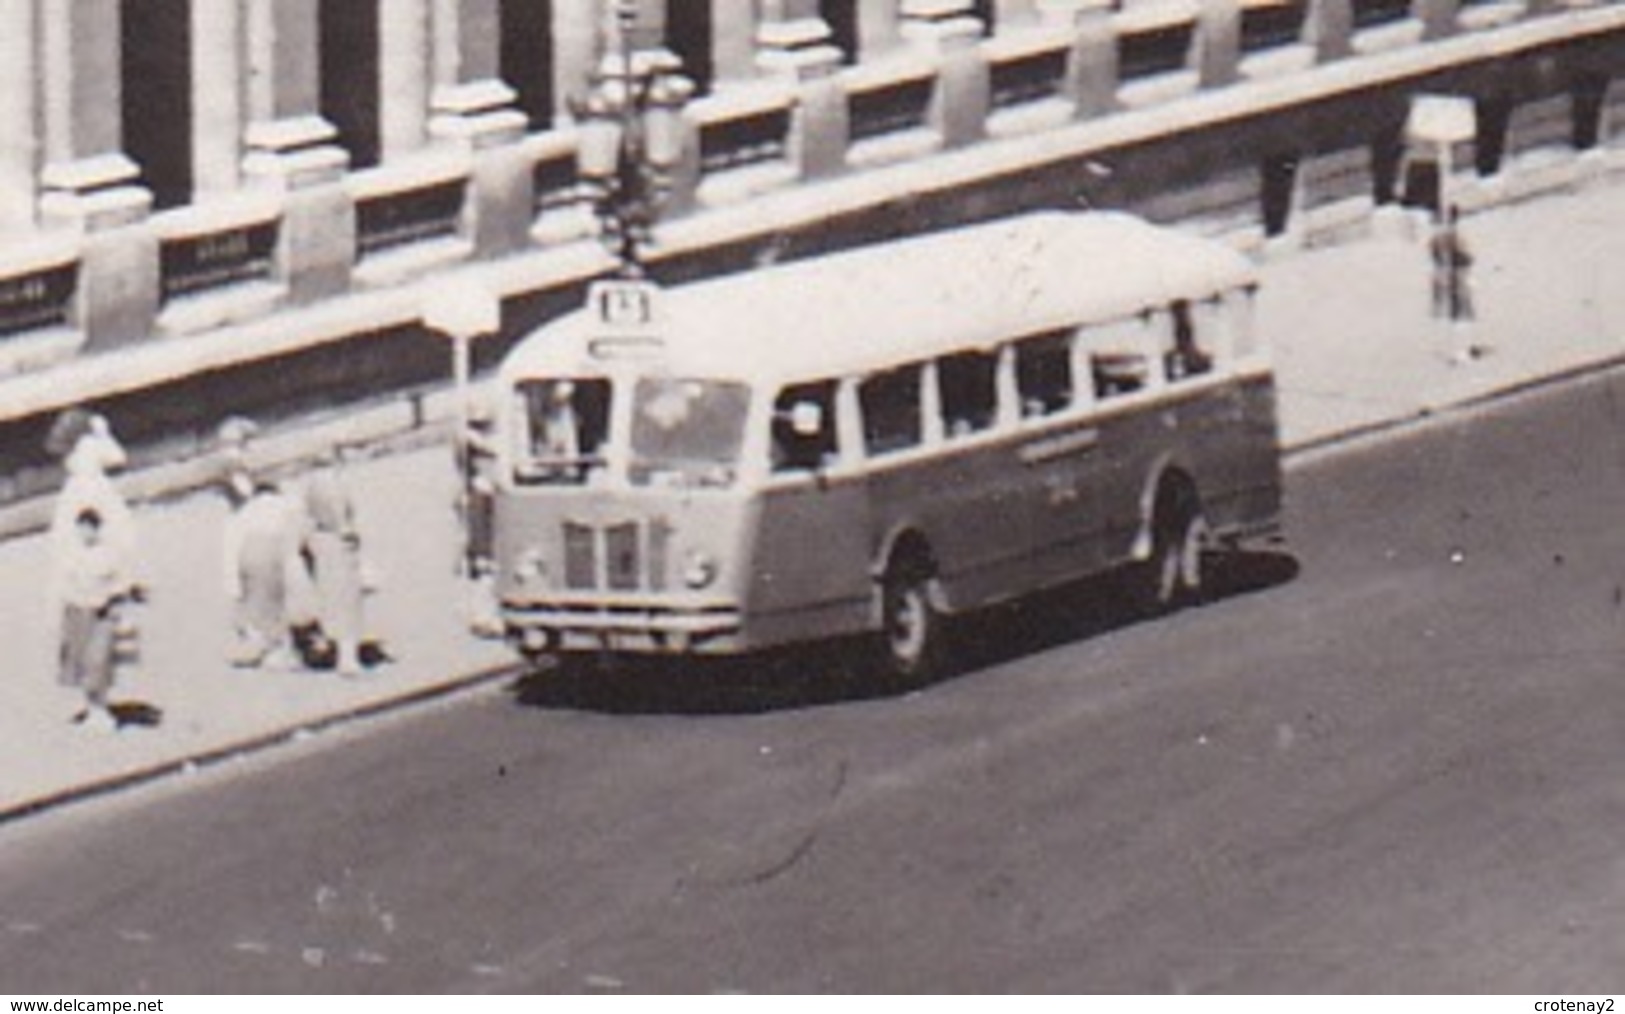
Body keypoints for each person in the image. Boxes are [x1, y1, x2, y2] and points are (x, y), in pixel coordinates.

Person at [53, 508, 141, 732]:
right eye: (81, 529)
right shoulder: (72, 555)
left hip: (102, 615)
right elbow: (65, 585)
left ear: (97, 529)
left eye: (89, 528)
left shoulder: (108, 554)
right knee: (81, 662)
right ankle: (92, 709)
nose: (85, 534)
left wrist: (111, 597)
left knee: (99, 662)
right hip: (79, 614)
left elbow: (122, 582)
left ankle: (102, 710)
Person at [301, 443, 374, 677]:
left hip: (321, 542)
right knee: (348, 600)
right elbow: (341, 516)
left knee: (332, 597)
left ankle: (338, 651)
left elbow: (310, 516)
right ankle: (348, 659)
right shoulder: (335, 482)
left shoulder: (311, 484)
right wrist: (350, 534)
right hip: (338, 542)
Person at [222, 480, 302, 669]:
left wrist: (232, 586)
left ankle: (260, 645)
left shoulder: (241, 514)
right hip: (274, 550)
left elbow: (231, 550)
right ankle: (277, 650)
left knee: (255, 605)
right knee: (275, 603)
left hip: (249, 553)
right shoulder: (286, 504)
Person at [458, 403, 502, 638]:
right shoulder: (478, 488)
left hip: (484, 511)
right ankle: (483, 616)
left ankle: (486, 614)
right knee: (484, 570)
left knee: (488, 572)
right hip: (480, 522)